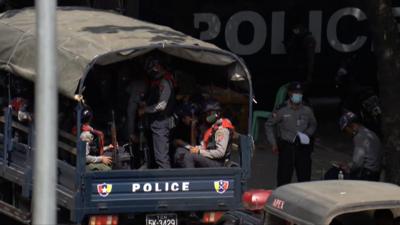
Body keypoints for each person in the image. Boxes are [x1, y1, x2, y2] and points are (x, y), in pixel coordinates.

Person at [265, 81, 317, 186]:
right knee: (283, 179)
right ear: (289, 93)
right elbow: (269, 125)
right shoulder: (282, 109)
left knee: (305, 179)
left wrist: (307, 134)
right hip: (287, 147)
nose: (298, 95)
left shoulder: (307, 110)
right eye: (295, 92)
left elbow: (313, 125)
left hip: (303, 147)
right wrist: (273, 143)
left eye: (300, 92)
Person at [138, 56, 176, 169]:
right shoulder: (157, 82)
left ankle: (166, 182)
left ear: (158, 66)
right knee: (155, 155)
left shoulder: (165, 82)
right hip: (155, 123)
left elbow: (161, 105)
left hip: (161, 122)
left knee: (161, 158)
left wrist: (145, 110)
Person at [174, 99, 234, 168]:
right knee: (180, 151)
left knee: (189, 157)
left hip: (219, 163)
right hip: (210, 158)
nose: (207, 116)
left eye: (209, 113)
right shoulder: (213, 127)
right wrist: (192, 148)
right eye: (206, 113)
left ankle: (191, 178)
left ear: (217, 113)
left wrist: (199, 151)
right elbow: (206, 146)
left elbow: (220, 153)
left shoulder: (222, 129)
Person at [339, 111, 382, 181]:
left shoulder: (359, 136)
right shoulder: (368, 132)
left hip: (368, 174)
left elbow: (357, 163)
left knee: (336, 175)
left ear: (352, 126)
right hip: (376, 171)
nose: (347, 134)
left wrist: (347, 167)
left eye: (346, 130)